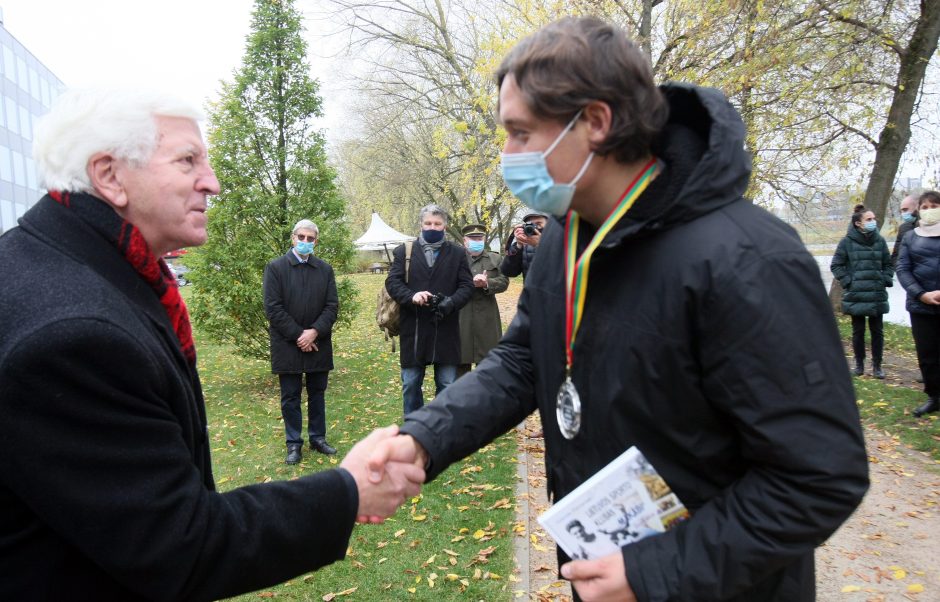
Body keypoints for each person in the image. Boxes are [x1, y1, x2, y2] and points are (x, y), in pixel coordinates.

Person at [370, 17, 869, 602]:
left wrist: (658, 570)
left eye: (521, 133)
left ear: (597, 123)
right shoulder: (564, 234)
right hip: (607, 574)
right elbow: (523, 361)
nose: (507, 156)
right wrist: (425, 437)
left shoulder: (750, 260)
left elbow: (818, 476)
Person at [0, 88, 424, 600]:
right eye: (187, 161)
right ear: (109, 175)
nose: (213, 183)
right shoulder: (73, 335)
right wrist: (347, 490)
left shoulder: (76, 268)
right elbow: (179, 546)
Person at [384, 205, 473, 414]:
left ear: (445, 226)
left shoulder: (457, 253)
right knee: (411, 384)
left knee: (447, 384)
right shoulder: (404, 251)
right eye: (428, 223)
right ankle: (415, 430)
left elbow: (467, 286)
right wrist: (411, 296)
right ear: (421, 224)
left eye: (437, 224)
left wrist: (451, 302)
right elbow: (393, 282)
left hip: (446, 329)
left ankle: (441, 428)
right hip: (414, 329)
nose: (432, 227)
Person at [264, 219, 339, 464]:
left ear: (316, 241)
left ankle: (318, 438)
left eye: (310, 238)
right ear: (293, 238)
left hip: (318, 341)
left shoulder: (324, 269)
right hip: (288, 343)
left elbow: (331, 306)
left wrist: (315, 332)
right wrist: (300, 335)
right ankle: (293, 443)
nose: (306, 242)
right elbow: (273, 309)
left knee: (317, 393)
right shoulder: (276, 268)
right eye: (301, 237)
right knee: (290, 396)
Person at [830, 204, 894, 379]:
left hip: (876, 293)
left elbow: (888, 264)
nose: (873, 222)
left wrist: (885, 279)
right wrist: (849, 282)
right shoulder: (846, 242)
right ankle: (859, 364)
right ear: (858, 223)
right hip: (856, 294)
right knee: (858, 331)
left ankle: (877, 366)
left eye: (874, 219)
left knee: (877, 331)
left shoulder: (879, 241)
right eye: (869, 219)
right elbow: (836, 265)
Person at [896, 190, 940, 417]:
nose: (930, 210)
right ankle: (935, 397)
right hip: (921, 306)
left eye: (935, 206)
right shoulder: (911, 236)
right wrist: (921, 294)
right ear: (919, 210)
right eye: (925, 207)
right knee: (927, 355)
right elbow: (903, 269)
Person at [458, 223, 510, 377]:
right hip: (461, 317)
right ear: (464, 240)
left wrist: (487, 283)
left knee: (488, 368)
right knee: (460, 366)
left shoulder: (495, 258)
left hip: (487, 319)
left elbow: (504, 281)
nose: (476, 240)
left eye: (479, 237)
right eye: (472, 238)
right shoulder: (456, 258)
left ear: (484, 239)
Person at [501, 209, 549, 280]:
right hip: (530, 290)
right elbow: (509, 272)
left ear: (549, 225)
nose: (533, 228)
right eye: (530, 224)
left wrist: (540, 245)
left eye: (538, 224)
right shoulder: (524, 245)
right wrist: (518, 246)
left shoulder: (562, 241)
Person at [891, 194, 919, 266]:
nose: (903, 213)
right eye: (902, 211)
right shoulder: (903, 228)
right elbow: (896, 254)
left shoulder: (929, 225)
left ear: (917, 207)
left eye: (905, 210)